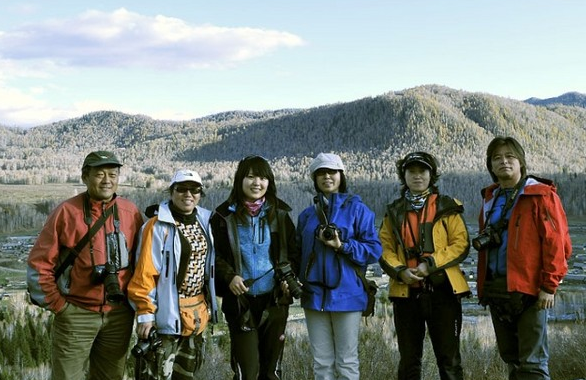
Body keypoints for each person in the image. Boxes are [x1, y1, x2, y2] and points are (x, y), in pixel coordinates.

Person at [27, 150, 144, 380]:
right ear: (85, 177)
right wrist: (60, 306)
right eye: (100, 174)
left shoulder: (130, 212)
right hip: (76, 313)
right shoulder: (66, 212)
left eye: (113, 174)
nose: (107, 180)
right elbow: (39, 265)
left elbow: (143, 264)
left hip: (118, 316)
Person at [475, 136, 571, 380]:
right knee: (511, 359)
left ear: (521, 162)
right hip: (498, 290)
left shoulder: (541, 195)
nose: (503, 161)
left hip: (531, 291)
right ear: (491, 165)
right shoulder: (490, 198)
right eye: (497, 158)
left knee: (533, 364)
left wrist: (549, 286)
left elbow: (557, 244)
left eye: (510, 157)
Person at [378, 151, 470, 380]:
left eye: (423, 171)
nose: (417, 176)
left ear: (432, 175)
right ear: (404, 176)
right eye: (412, 171)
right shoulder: (394, 211)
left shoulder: (447, 207)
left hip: (444, 291)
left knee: (449, 360)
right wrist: (401, 271)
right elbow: (384, 247)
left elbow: (461, 244)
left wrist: (430, 265)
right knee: (409, 362)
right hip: (406, 292)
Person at [211, 155, 298, 380]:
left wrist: (289, 281)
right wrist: (229, 277)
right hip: (241, 304)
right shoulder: (224, 216)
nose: (256, 182)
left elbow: (293, 252)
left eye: (262, 177)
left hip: (275, 301)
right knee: (246, 373)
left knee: (271, 372)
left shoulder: (279, 214)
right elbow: (214, 255)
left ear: (269, 182)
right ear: (240, 180)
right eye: (250, 176)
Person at [297, 152, 382, 380]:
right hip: (314, 296)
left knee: (346, 362)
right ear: (315, 178)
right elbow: (298, 255)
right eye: (321, 173)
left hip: (347, 295)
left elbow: (374, 250)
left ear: (341, 176)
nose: (327, 177)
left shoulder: (358, 210)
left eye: (332, 172)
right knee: (321, 363)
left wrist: (342, 245)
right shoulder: (307, 216)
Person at [127, 169, 219, 380]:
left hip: (195, 315)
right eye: (182, 189)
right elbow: (144, 273)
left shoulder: (205, 221)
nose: (188, 194)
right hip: (164, 316)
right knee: (157, 373)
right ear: (172, 191)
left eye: (194, 189)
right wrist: (145, 314)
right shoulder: (157, 226)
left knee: (187, 375)